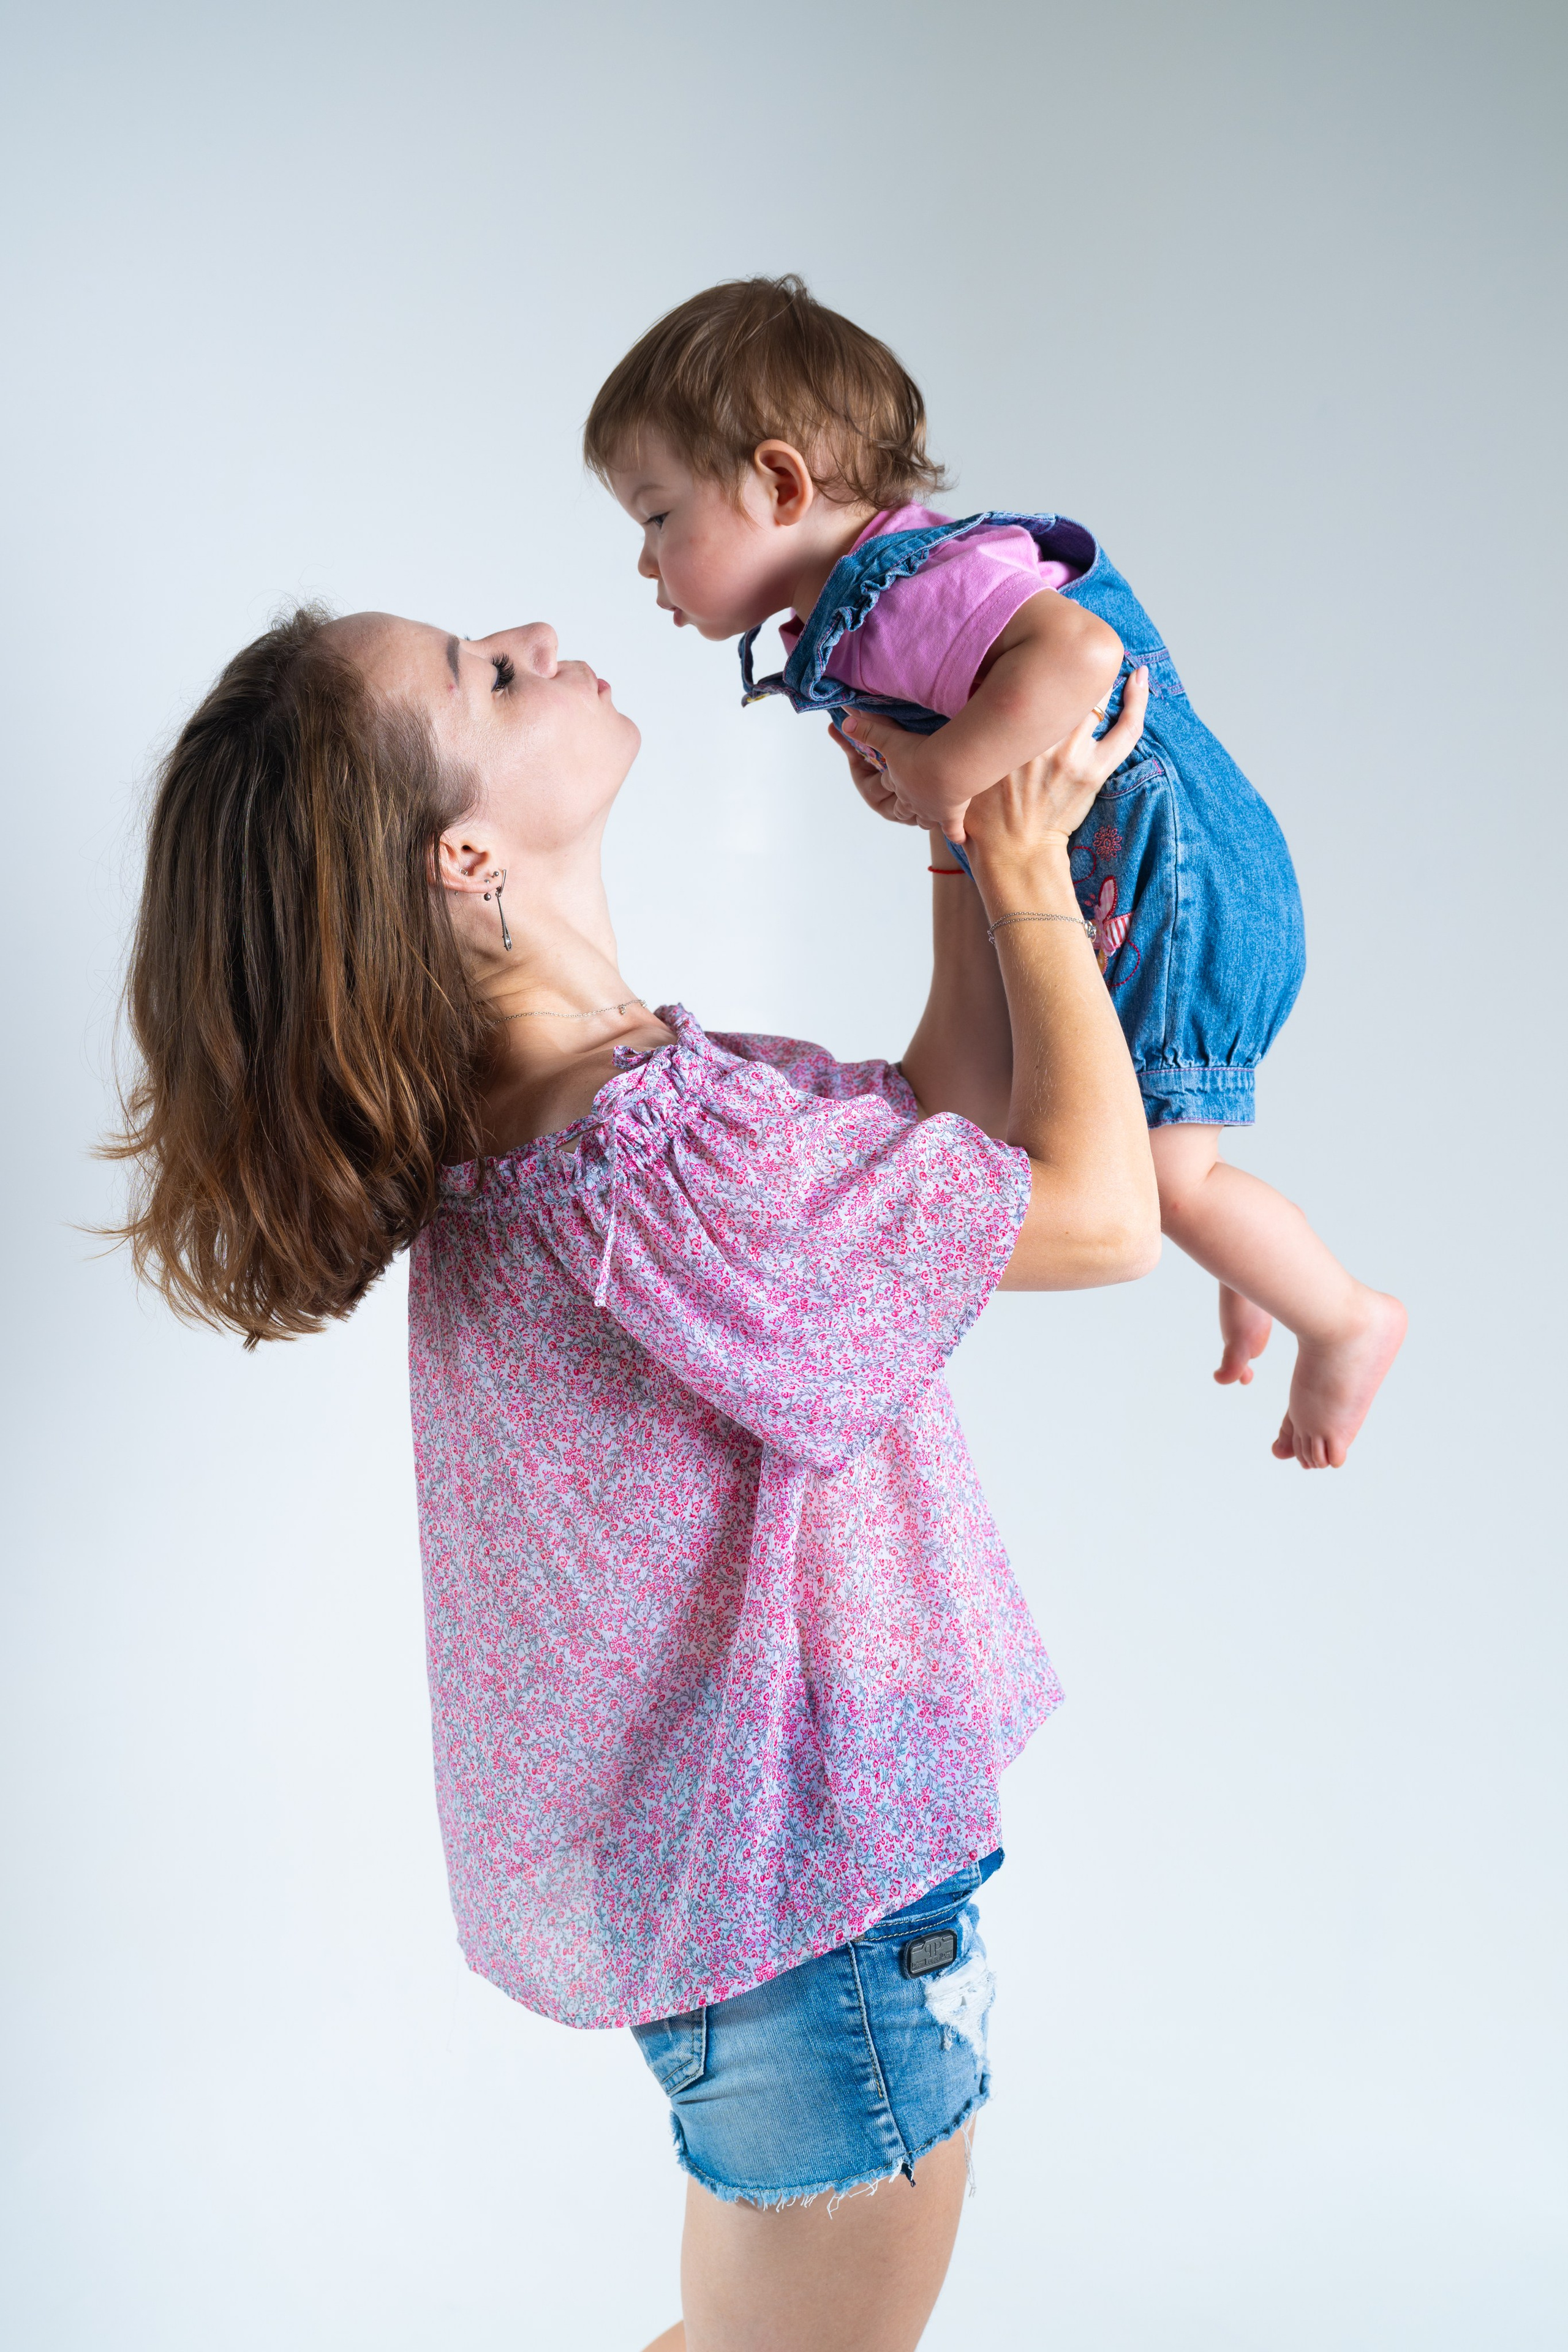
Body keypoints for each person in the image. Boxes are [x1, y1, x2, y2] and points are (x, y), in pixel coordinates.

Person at [110, 601, 1159, 2351]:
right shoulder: (642, 1154)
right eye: (487, 678)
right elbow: (1101, 1216)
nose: (532, 637)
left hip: (782, 1912)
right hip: (819, 1929)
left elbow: (941, 1128)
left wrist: (964, 846)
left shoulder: (606, 1116)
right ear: (463, 853)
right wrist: (1038, 868)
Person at [584, 274, 1407, 1471]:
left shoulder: (909, 584)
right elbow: (991, 741)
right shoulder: (877, 602)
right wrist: (930, 781)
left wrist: (945, 770)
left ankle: (1341, 1315)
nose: (646, 564)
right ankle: (1262, 1270)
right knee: (1170, 1162)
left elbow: (1075, 651)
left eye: (657, 518)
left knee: (1163, 1186)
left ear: (776, 483)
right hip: (1164, 879)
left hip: (1172, 889)